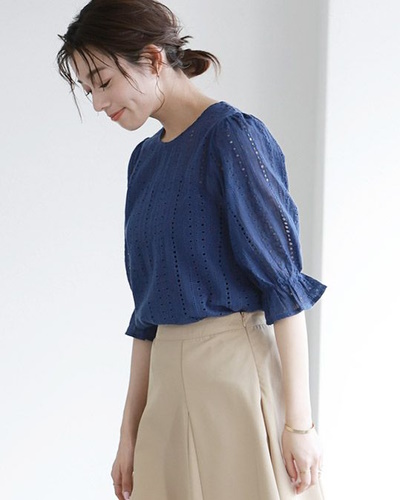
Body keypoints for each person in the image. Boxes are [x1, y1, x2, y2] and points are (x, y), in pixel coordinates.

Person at [57, 1, 327, 499]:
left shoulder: (232, 138)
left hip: (235, 379)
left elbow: (284, 292)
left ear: (152, 58)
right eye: (88, 89)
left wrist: (300, 425)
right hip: (163, 389)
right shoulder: (144, 161)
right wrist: (128, 434)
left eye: (103, 81)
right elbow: (146, 316)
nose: (97, 103)